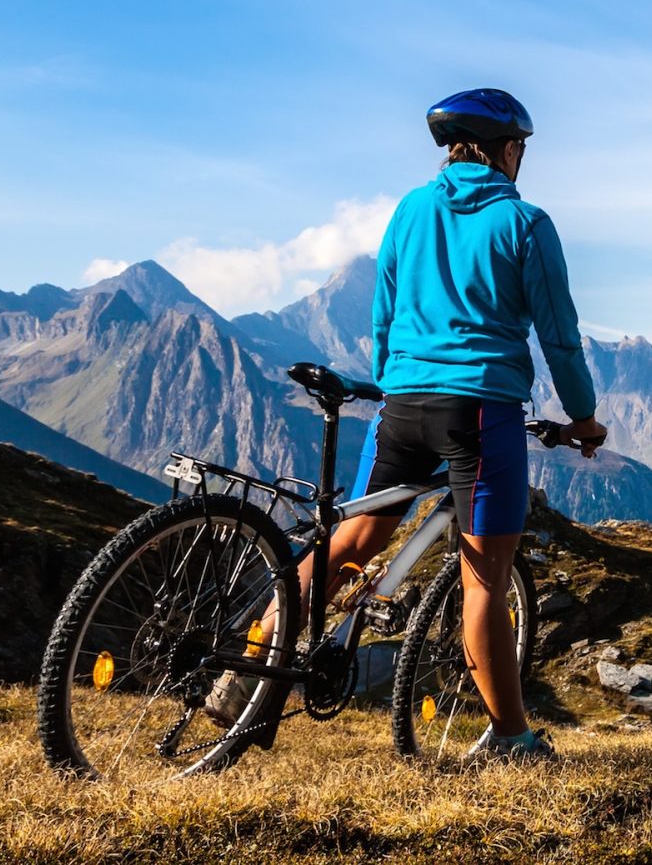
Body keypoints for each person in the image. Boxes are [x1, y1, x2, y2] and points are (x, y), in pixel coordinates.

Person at [208, 88, 606, 763]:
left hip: (401, 408)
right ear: (507, 149)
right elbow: (560, 336)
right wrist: (584, 418)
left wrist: (394, 379)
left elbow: (383, 319)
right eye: (522, 149)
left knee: (348, 544)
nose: (522, 161)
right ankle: (512, 739)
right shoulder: (526, 223)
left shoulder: (410, 210)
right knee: (484, 579)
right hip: (480, 413)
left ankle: (248, 667)